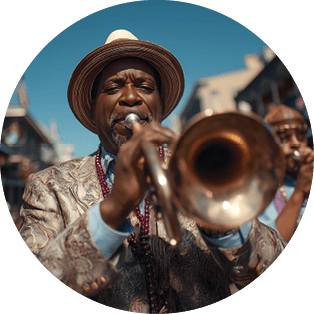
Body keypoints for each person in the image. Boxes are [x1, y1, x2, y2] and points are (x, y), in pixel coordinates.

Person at [19, 29, 285, 313]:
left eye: (145, 87)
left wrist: (220, 218)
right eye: (112, 88)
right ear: (93, 107)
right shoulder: (48, 186)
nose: (131, 97)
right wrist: (113, 210)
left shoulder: (198, 168)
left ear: (160, 104)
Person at [258, 104, 313, 242]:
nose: (296, 143)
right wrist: (300, 192)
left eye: (300, 136)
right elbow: (273, 246)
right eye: (283, 139)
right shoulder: (265, 192)